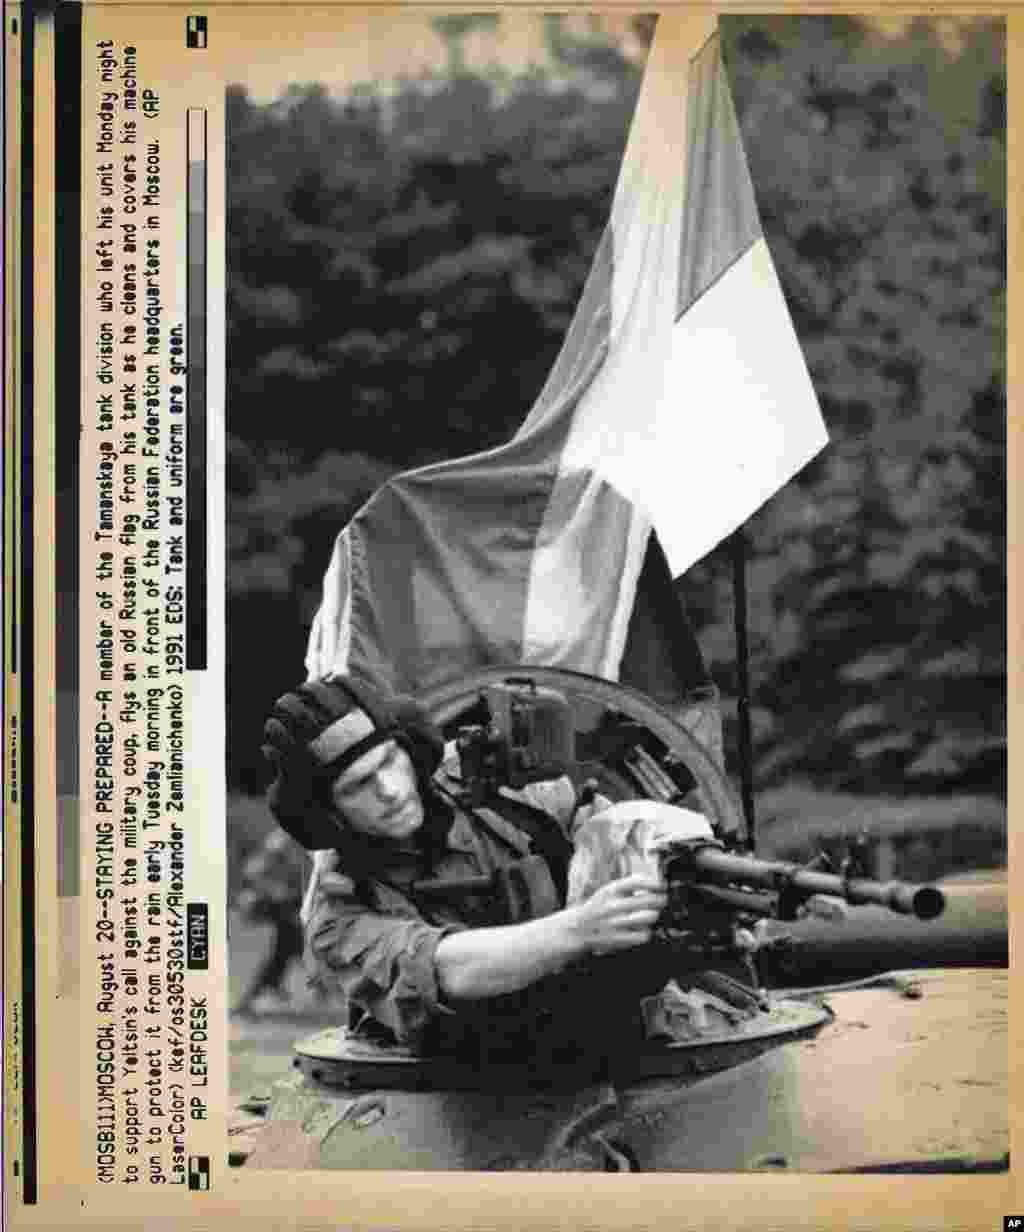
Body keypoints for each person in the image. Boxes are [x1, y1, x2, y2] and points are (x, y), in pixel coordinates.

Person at [249, 675, 678, 1170]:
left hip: (626, 1055)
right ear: (330, 815)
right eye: (358, 786)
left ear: (410, 747)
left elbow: (598, 825)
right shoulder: (339, 916)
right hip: (471, 1103)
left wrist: (663, 867)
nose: (389, 790)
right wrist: (579, 930)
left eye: (390, 760)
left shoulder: (500, 792)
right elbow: (445, 969)